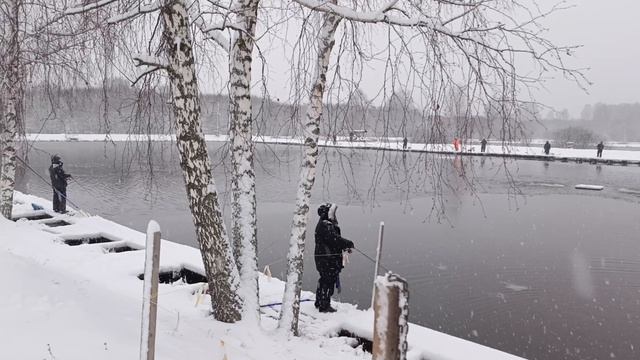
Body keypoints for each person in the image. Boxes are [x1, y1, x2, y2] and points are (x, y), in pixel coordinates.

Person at [314, 203, 354, 313]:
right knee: (328, 280)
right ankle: (324, 305)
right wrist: (347, 243)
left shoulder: (325, 224)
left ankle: (320, 301)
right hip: (327, 260)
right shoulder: (325, 225)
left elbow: (333, 242)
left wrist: (344, 247)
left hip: (325, 259)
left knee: (324, 279)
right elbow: (334, 239)